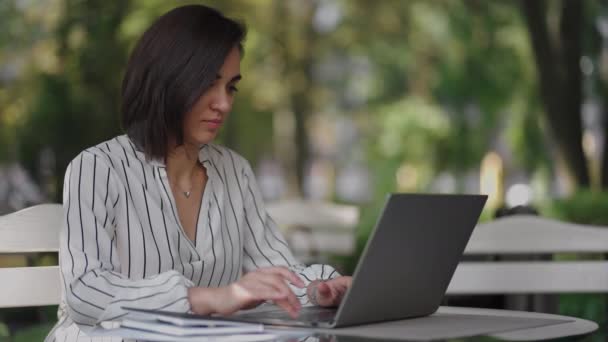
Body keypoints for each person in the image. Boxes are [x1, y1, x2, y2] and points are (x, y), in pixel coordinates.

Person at [45, 4, 352, 341]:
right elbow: (85, 291)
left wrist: (318, 288)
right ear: (167, 80)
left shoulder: (234, 171)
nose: (224, 103)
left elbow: (275, 269)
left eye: (231, 87)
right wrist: (208, 298)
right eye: (209, 84)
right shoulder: (97, 169)